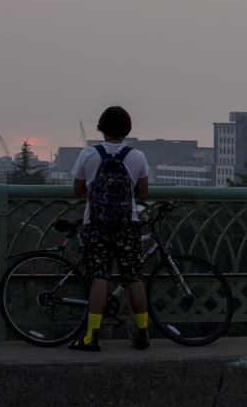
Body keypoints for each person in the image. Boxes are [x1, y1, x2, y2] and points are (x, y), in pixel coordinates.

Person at [68, 105, 151, 351]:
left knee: (99, 277)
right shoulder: (137, 157)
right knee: (133, 277)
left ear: (102, 128)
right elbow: (143, 193)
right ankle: (143, 333)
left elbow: (78, 190)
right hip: (127, 224)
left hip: (96, 224)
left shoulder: (88, 155)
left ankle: (91, 336)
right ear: (127, 130)